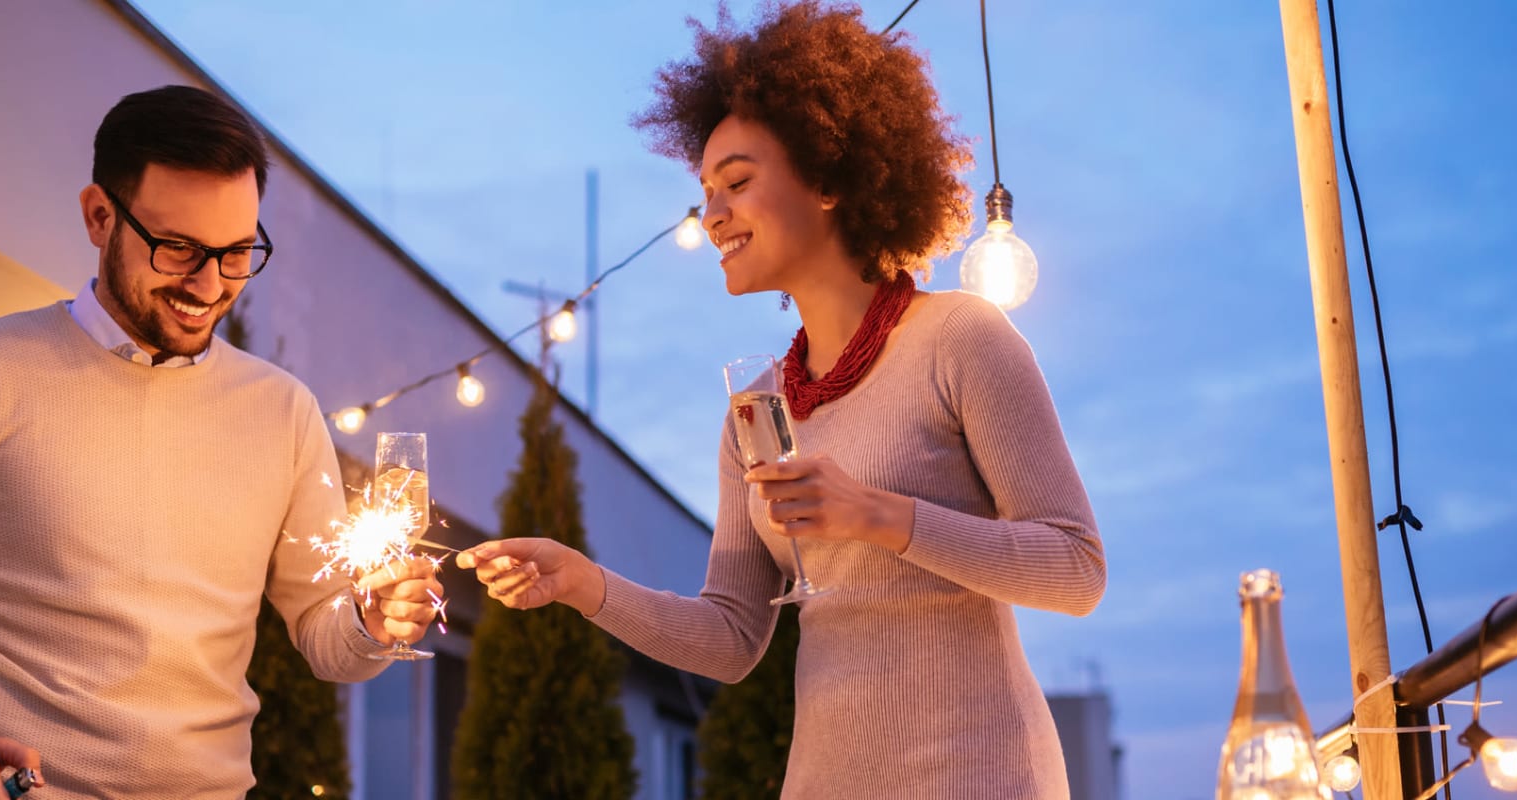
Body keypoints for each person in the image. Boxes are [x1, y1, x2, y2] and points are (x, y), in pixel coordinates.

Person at [456, 3, 1108, 797]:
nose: (714, 214)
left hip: (980, 775)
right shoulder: (755, 414)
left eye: (736, 182)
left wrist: (878, 515)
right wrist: (584, 584)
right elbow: (732, 638)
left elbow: (1076, 568)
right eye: (705, 192)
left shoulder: (960, 337)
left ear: (830, 178)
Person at [0, 85, 441, 800]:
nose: (210, 284)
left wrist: (373, 624)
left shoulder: (284, 411)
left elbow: (324, 630)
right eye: (179, 248)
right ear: (100, 217)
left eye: (237, 253)